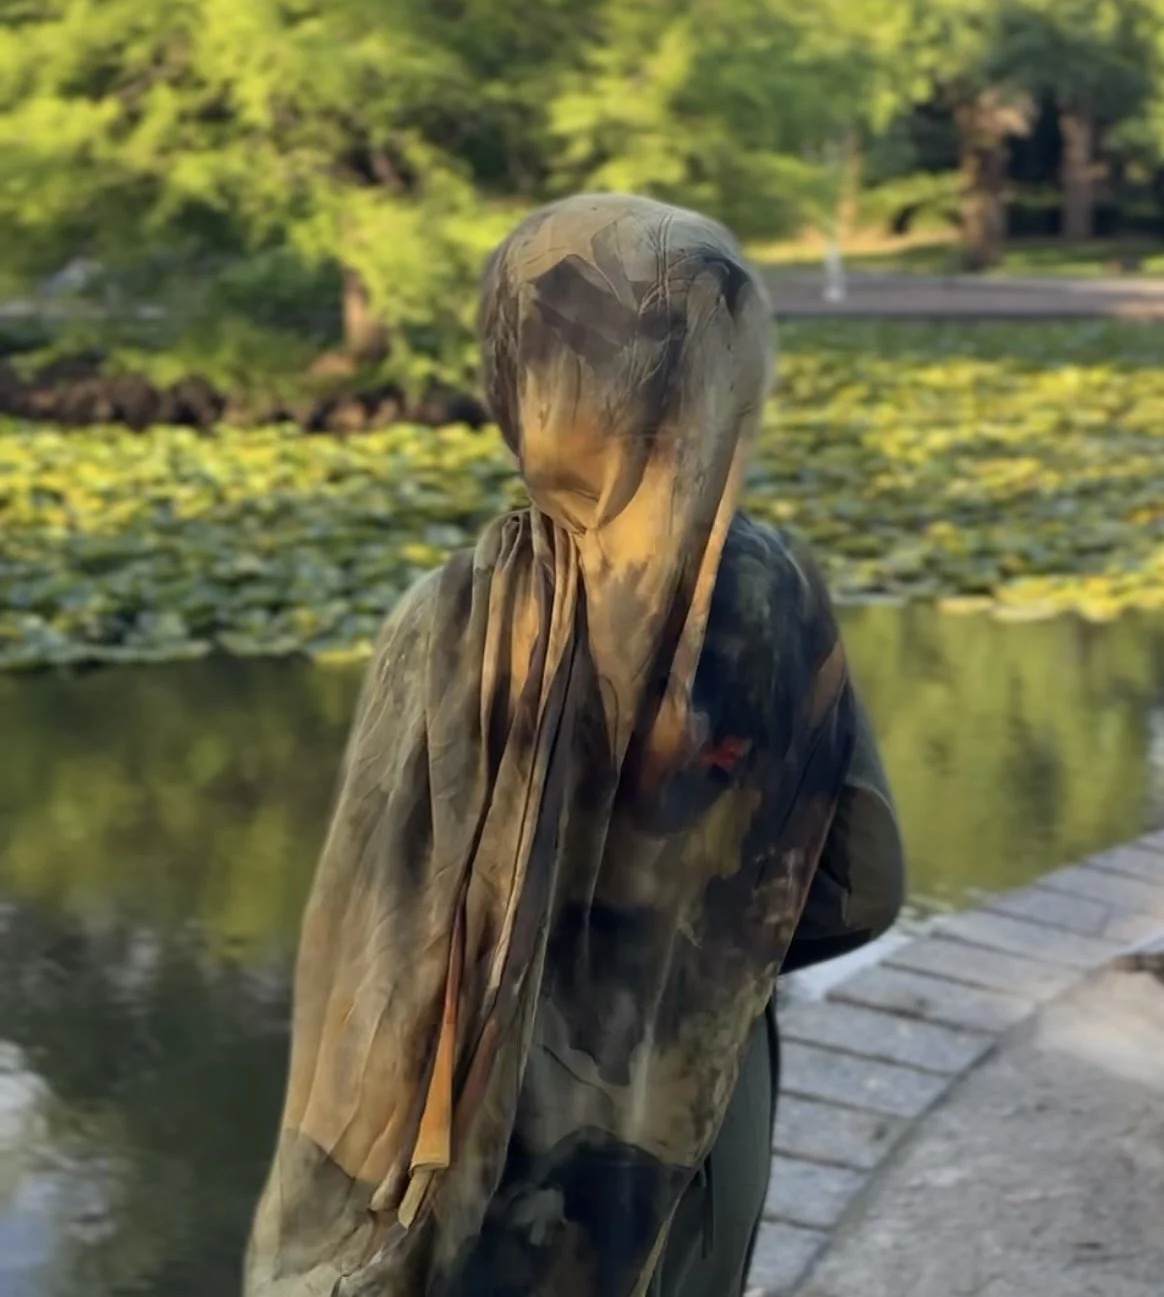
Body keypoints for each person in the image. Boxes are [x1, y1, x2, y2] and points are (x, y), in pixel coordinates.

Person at [244, 193, 904, 1297]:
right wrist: (696, 952)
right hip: (697, 1124)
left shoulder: (455, 621)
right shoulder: (773, 592)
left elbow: (380, 938)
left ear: (527, 378)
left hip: (489, 1146)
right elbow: (862, 891)